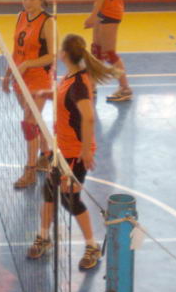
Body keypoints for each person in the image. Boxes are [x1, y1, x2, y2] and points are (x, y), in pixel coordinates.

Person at [27, 34, 116, 270]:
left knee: (70, 200)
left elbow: (88, 116)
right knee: (48, 191)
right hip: (62, 148)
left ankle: (92, 246)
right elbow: (65, 99)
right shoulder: (70, 77)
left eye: (60, 49)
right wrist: (47, 94)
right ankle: (44, 236)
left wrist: (86, 151)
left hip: (75, 152)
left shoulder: (78, 84)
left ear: (64, 54)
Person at [1, 0, 56, 189]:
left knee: (29, 123)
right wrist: (8, 74)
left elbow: (52, 56)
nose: (27, 2)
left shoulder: (48, 22)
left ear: (42, 0)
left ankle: (30, 171)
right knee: (34, 119)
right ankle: (47, 154)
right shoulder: (21, 16)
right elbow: (16, 51)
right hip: (20, 77)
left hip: (39, 79)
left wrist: (27, 64)